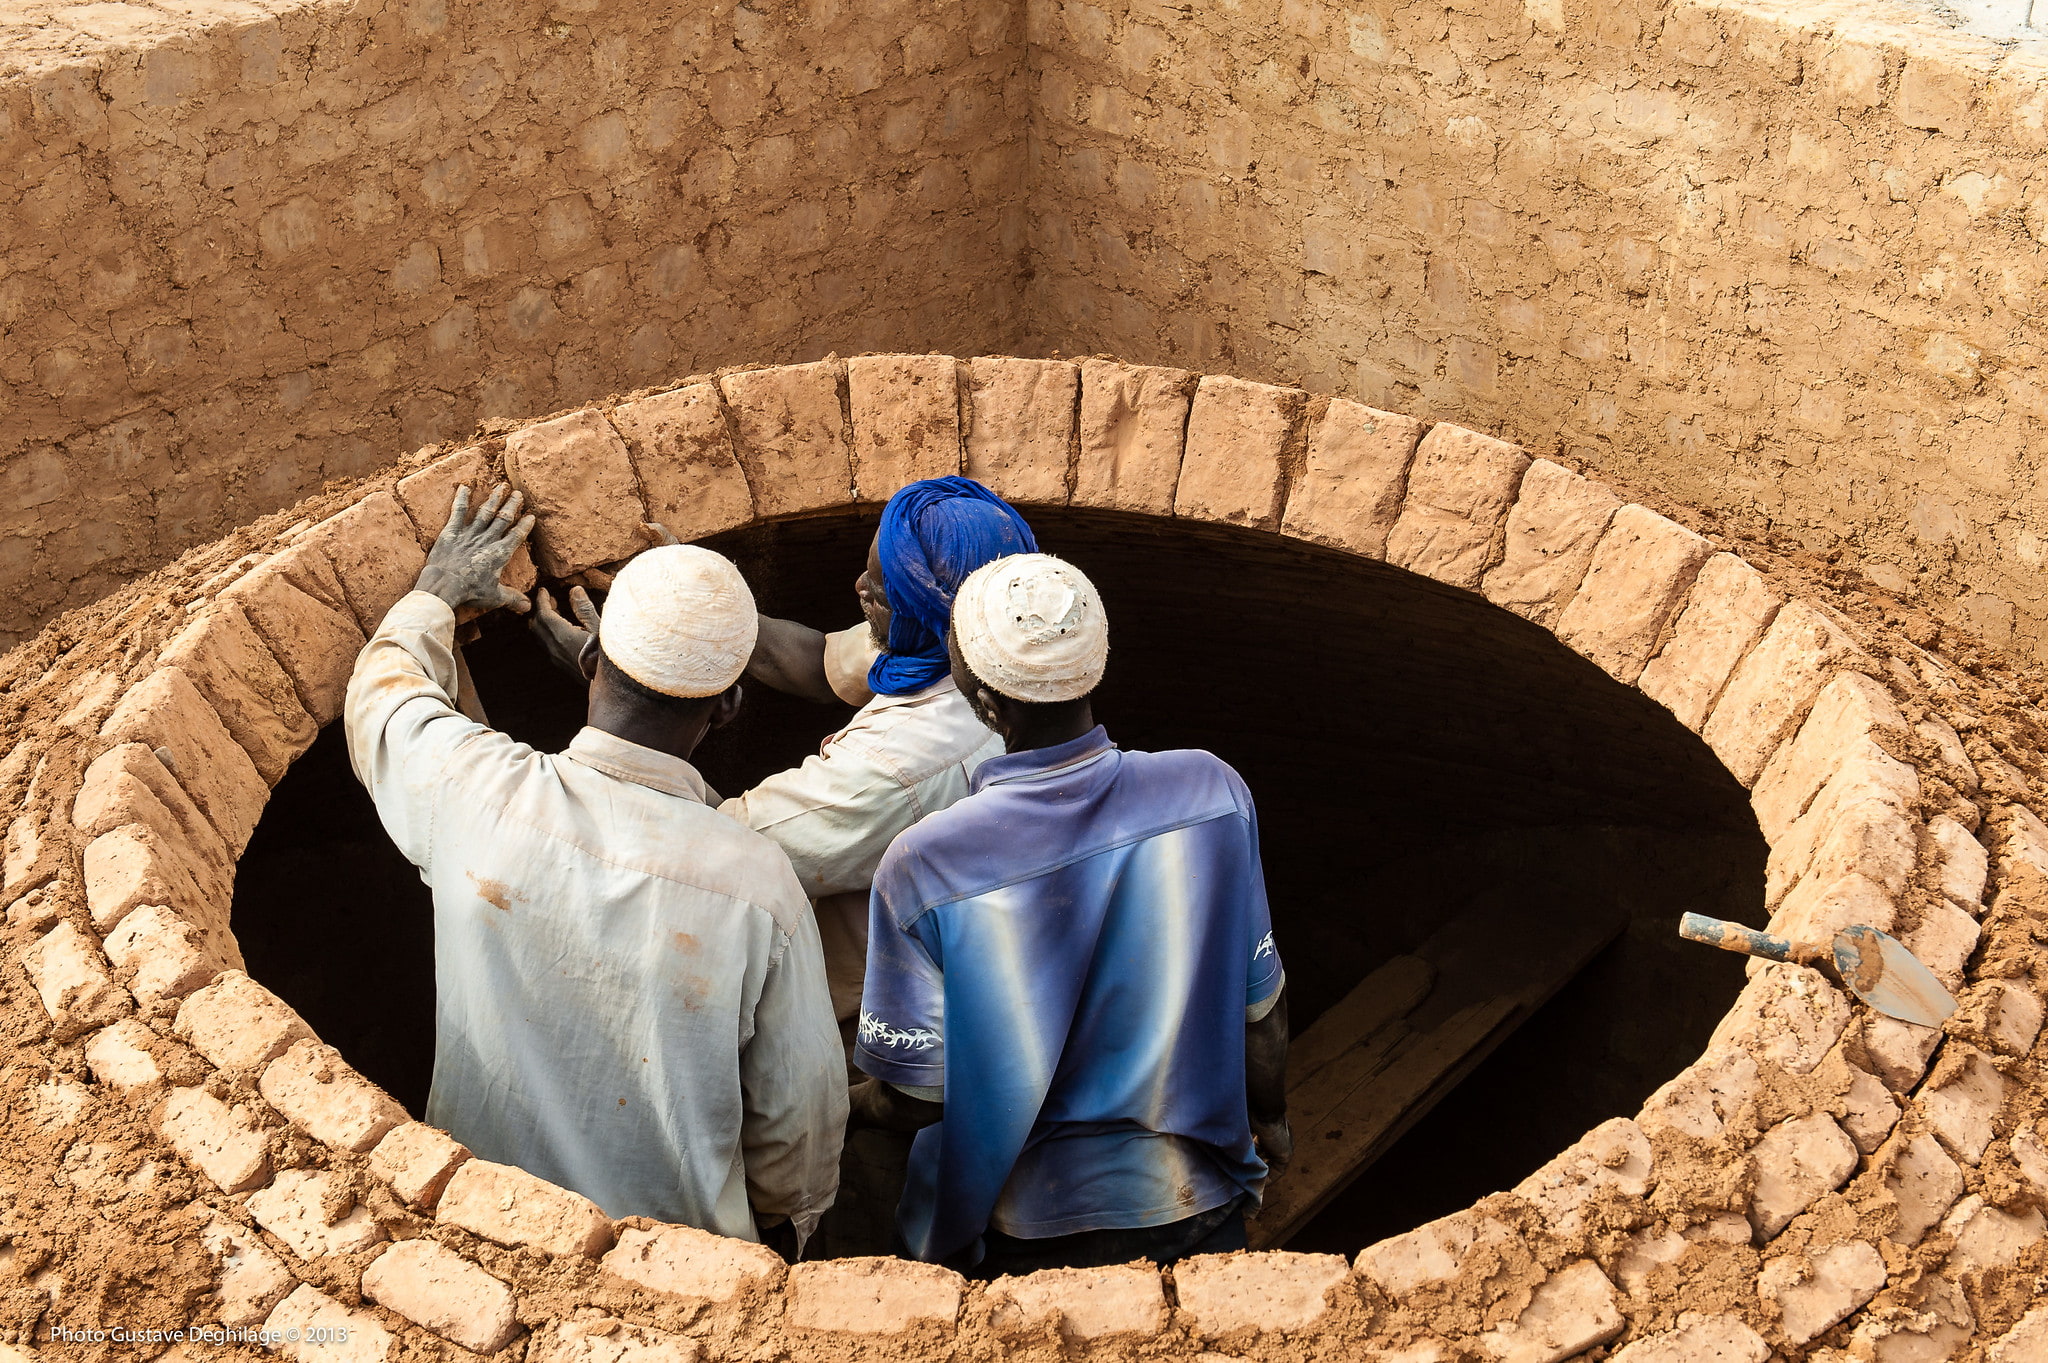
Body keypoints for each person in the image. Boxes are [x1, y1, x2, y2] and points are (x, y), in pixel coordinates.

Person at [344, 485, 844, 1253]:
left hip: (475, 1245)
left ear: (588, 655)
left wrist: (436, 594)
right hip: (673, 1275)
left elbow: (385, 702)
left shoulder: (475, 791)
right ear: (732, 705)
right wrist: (776, 1232)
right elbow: (797, 1126)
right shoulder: (759, 886)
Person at [848, 553, 1293, 1274]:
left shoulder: (926, 863)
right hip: (1197, 1205)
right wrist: (1268, 1117)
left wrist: (853, 1104)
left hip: (1021, 1234)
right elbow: (1262, 1013)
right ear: (1094, 662)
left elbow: (916, 1096)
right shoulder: (1210, 792)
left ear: (983, 700)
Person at [532, 477, 1038, 1031]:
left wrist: (630, 674)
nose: (860, 586)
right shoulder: (973, 639)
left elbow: (710, 850)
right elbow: (820, 661)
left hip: (858, 1023)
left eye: (880, 587)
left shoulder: (900, 766)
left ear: (924, 606)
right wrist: (697, 609)